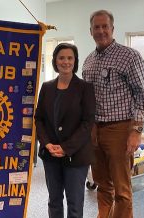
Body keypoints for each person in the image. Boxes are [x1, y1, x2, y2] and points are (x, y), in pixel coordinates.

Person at [82, 10, 144, 218]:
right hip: (96, 130)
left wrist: (136, 131)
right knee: (103, 185)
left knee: (122, 190)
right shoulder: (88, 61)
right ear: (91, 31)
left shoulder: (129, 56)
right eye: (97, 27)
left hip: (120, 129)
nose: (101, 31)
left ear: (113, 29)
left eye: (105, 26)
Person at [35, 43, 96, 218]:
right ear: (55, 60)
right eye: (61, 58)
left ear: (75, 61)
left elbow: (87, 123)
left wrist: (66, 148)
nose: (66, 62)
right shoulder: (46, 87)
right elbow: (39, 119)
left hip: (76, 155)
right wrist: (47, 144)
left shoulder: (85, 88)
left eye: (70, 58)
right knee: (54, 201)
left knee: (75, 204)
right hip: (50, 155)